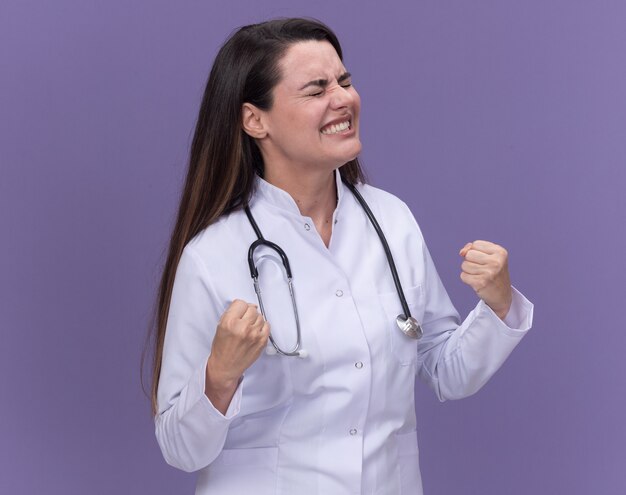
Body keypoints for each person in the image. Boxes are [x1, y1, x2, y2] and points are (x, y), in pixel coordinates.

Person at [149, 17, 534, 495]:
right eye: (316, 90)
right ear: (255, 120)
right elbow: (180, 449)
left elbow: (446, 372)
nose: (343, 99)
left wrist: (497, 305)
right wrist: (219, 376)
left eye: (344, 81)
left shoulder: (391, 219)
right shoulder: (212, 256)